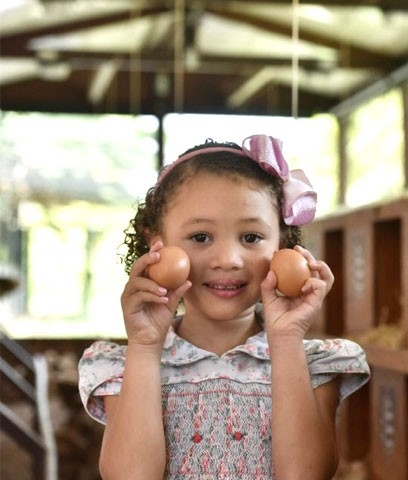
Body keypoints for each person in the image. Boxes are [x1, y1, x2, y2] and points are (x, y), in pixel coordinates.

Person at [78, 134, 370, 479]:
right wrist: (144, 346)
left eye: (251, 238)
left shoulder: (312, 364)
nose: (228, 260)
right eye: (201, 237)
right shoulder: (125, 366)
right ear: (155, 242)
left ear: (284, 244)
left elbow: (304, 475)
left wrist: (287, 338)